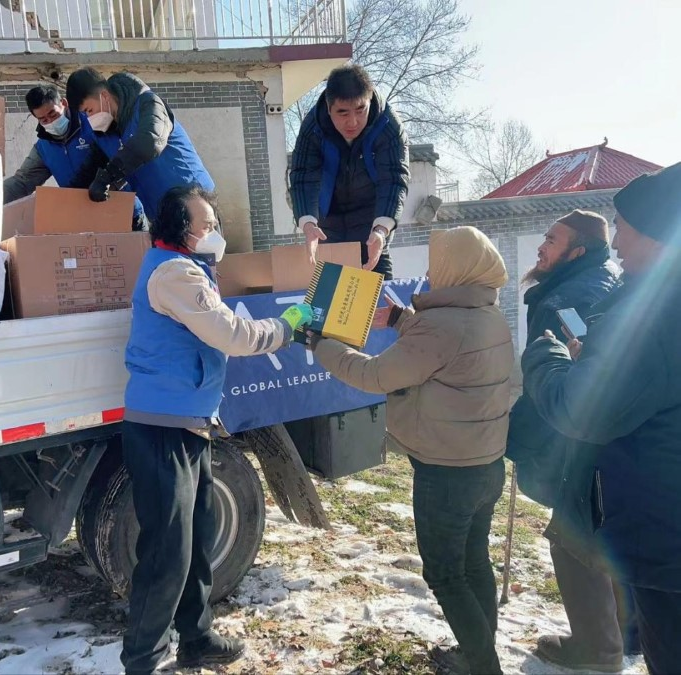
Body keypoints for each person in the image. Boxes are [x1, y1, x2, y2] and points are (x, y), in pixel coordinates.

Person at [120, 184, 312, 674]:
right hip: (163, 429)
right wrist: (287, 325)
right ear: (178, 229)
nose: (214, 233)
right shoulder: (175, 273)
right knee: (167, 552)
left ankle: (197, 638)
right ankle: (142, 661)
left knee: (197, 537)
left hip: (189, 423)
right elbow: (235, 335)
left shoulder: (187, 270)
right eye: (205, 225)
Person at [309, 226, 513, 675]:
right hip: (484, 465)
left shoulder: (442, 327)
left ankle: (482, 664)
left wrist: (320, 343)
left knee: (444, 574)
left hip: (446, 474)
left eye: (436, 264)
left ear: (455, 270)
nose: (428, 272)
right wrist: (403, 321)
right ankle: (479, 654)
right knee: (474, 562)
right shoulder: (488, 314)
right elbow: (447, 352)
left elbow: (377, 376)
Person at [522, 162, 681, 675]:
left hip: (665, 532)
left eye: (624, 226)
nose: (617, 242)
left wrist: (544, 359)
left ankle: (603, 648)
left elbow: (583, 408)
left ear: (657, 232)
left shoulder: (654, 311)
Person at [507, 210, 637, 672]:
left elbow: (576, 376)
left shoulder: (569, 298)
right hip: (606, 438)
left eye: (552, 240)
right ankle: (620, 637)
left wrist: (534, 435)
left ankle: (600, 650)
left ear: (576, 252)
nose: (542, 247)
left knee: (574, 538)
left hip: (578, 440)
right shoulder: (599, 280)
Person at [289, 63, 410, 278]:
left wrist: (381, 230)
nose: (352, 122)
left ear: (370, 99)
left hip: (372, 217)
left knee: (378, 281)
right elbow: (303, 176)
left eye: (360, 110)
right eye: (342, 113)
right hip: (327, 219)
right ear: (328, 107)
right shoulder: (312, 127)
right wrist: (308, 224)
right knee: (331, 291)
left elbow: (393, 179)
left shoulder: (389, 125)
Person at [64, 68, 215, 223]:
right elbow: (89, 171)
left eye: (90, 110)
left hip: (194, 205)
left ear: (104, 96)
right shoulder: (106, 133)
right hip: (160, 215)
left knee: (203, 247)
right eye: (85, 114)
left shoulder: (148, 103)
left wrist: (108, 176)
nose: (90, 118)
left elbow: (149, 142)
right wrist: (63, 200)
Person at [2, 85, 145, 229]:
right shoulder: (43, 148)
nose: (50, 121)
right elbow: (22, 182)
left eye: (53, 114)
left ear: (63, 103)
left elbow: (124, 154)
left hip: (124, 212)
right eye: (43, 120)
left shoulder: (93, 122)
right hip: (83, 221)